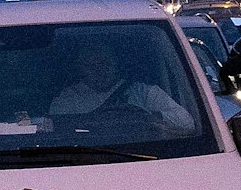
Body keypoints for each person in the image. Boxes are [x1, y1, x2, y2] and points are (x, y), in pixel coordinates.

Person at [49, 45, 195, 135]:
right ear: (80, 70)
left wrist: (144, 117)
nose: (99, 70)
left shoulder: (142, 92)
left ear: (116, 64)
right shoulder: (68, 99)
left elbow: (187, 121)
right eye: (91, 66)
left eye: (105, 63)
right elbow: (58, 129)